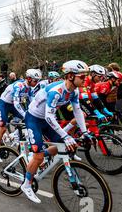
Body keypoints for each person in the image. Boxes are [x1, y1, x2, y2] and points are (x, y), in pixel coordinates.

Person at [22, 60, 93, 204]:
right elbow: (49, 116)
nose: (85, 79)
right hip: (34, 119)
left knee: (62, 146)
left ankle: (35, 156)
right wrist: (65, 135)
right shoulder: (56, 92)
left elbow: (77, 111)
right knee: (39, 156)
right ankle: (26, 184)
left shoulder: (74, 90)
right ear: (71, 76)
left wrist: (85, 132)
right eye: (82, 76)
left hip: (47, 119)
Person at [0, 69, 42, 158]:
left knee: (26, 121)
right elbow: (16, 103)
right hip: (4, 103)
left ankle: (13, 135)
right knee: (3, 126)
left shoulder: (29, 88)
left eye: (38, 81)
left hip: (12, 105)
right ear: (29, 79)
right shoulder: (19, 85)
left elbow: (31, 101)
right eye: (35, 80)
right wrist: (25, 114)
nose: (37, 83)